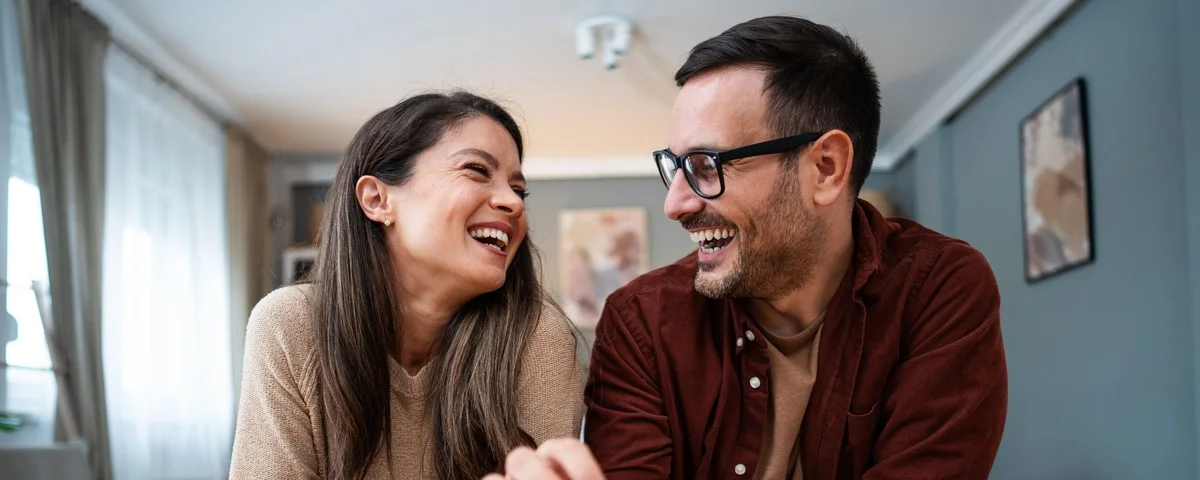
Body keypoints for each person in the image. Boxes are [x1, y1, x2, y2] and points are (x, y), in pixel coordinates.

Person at [489, 15, 1007, 480]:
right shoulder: (640, 320)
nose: (675, 205)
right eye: (676, 166)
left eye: (706, 166)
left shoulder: (939, 287)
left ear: (825, 168)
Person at [230, 91, 584, 480]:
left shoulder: (537, 338)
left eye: (518, 190)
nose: (513, 203)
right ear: (377, 199)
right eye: (477, 170)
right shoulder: (289, 325)